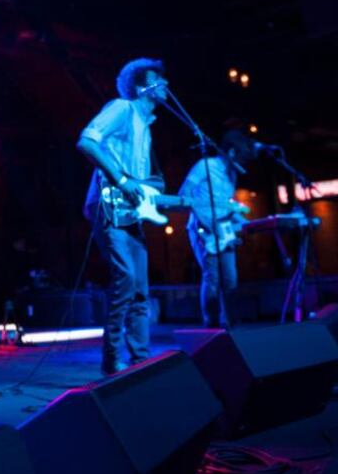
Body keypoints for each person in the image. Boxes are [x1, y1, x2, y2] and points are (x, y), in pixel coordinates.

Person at [76, 58, 167, 376]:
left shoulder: (147, 127)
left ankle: (140, 358)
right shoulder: (122, 108)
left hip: (131, 213)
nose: (166, 85)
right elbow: (87, 141)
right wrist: (123, 180)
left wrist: (151, 190)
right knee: (126, 279)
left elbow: (143, 180)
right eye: (159, 81)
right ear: (143, 87)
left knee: (141, 286)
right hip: (108, 206)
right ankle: (111, 359)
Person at [178, 129, 255, 328]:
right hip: (203, 230)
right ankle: (210, 325)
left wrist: (244, 220)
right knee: (212, 278)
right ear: (230, 153)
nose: (243, 165)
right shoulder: (205, 166)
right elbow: (184, 194)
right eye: (241, 158)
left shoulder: (232, 175)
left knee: (230, 279)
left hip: (225, 231)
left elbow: (225, 203)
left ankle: (230, 323)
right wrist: (206, 220)